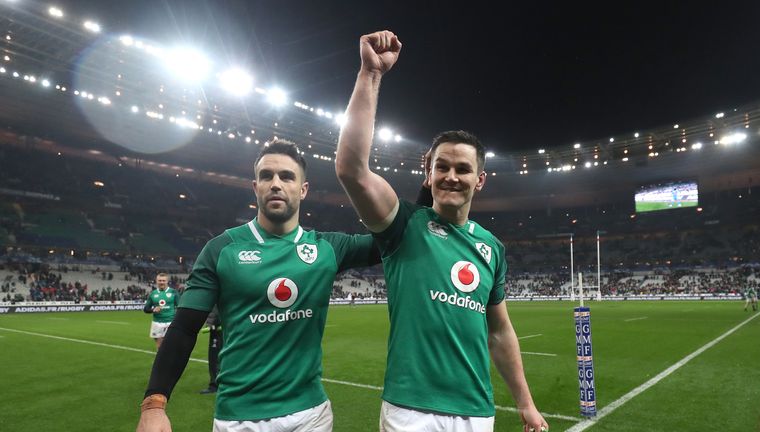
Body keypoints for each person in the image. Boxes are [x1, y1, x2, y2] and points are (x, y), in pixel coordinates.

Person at [335, 30, 548, 432]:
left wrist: (526, 403)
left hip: (476, 411)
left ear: (480, 180)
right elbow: (351, 170)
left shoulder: (491, 248)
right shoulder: (402, 226)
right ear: (428, 173)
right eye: (443, 167)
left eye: (463, 169)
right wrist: (370, 74)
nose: (452, 176)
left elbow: (500, 332)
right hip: (410, 411)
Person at [136, 139, 383, 432]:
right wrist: (154, 404)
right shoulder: (222, 249)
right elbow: (184, 328)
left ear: (303, 190)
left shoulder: (327, 247)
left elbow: (397, 237)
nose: (276, 183)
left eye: (287, 176)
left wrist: (429, 186)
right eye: (267, 176)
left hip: (311, 414)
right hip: (239, 418)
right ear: (255, 188)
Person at [142, 273, 179, 350]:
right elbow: (146, 309)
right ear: (156, 281)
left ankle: (169, 361)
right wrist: (153, 310)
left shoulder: (173, 292)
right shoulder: (153, 293)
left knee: (170, 345)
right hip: (157, 323)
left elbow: (180, 307)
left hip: (170, 322)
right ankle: (162, 361)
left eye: (163, 280)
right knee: (160, 347)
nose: (161, 282)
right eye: (160, 280)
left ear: (167, 281)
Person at [199, 306, 221, 395]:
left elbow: (215, 311)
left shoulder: (218, 294)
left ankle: (214, 386)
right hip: (230, 329)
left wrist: (209, 324)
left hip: (217, 330)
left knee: (214, 358)